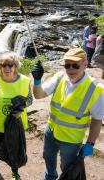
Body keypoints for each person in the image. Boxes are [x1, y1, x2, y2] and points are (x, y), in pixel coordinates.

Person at [31, 48, 104, 180]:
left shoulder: (95, 89)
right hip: (51, 131)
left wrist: (90, 143)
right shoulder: (60, 77)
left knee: (68, 170)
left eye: (75, 65)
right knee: (48, 159)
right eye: (67, 65)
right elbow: (39, 94)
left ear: (85, 65)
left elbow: (97, 119)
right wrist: (37, 81)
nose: (70, 70)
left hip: (71, 140)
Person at [0, 52, 32, 180]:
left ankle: (15, 172)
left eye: (10, 65)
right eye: (3, 65)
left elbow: (30, 100)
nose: (7, 68)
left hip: (15, 123)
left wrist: (21, 106)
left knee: (14, 148)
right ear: (0, 66)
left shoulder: (25, 81)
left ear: (15, 66)